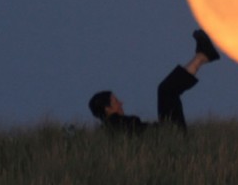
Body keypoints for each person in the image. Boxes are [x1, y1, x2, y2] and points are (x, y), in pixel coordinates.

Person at [88, 29, 220, 134]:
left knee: (166, 90)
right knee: (166, 90)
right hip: (171, 137)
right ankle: (202, 56)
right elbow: (149, 133)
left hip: (169, 136)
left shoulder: (108, 130)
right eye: (116, 102)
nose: (121, 103)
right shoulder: (120, 125)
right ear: (107, 109)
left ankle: (202, 57)